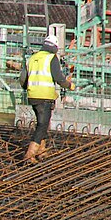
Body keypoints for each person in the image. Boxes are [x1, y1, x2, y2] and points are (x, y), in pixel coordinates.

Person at [19, 34, 74, 163]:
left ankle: (41, 151)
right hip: (45, 97)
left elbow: (22, 79)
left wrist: (29, 88)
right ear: (55, 47)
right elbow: (59, 78)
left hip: (33, 96)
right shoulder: (51, 58)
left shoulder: (32, 58)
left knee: (41, 123)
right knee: (43, 125)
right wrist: (69, 85)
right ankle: (30, 154)